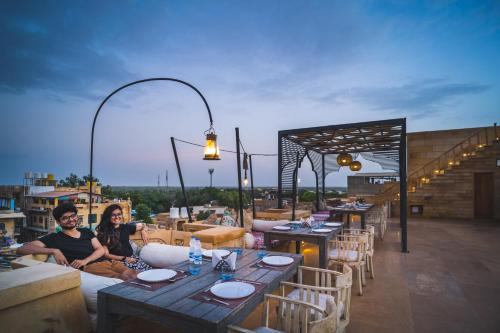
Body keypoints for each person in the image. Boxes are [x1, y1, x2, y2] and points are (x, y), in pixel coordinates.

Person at [17, 202, 136, 280]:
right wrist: (54, 251)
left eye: (73, 216)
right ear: (59, 222)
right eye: (65, 218)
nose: (71, 220)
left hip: (109, 262)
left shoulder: (86, 232)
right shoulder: (54, 238)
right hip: (92, 267)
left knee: (136, 274)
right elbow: (22, 248)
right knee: (125, 278)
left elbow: (100, 250)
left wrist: (85, 260)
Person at [96, 204, 151, 271]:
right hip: (118, 262)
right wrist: (124, 258)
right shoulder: (104, 232)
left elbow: (142, 225)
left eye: (119, 214)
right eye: (113, 215)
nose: (117, 217)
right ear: (108, 217)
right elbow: (106, 254)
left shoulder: (125, 227)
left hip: (132, 258)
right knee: (137, 275)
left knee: (149, 272)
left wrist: (143, 230)